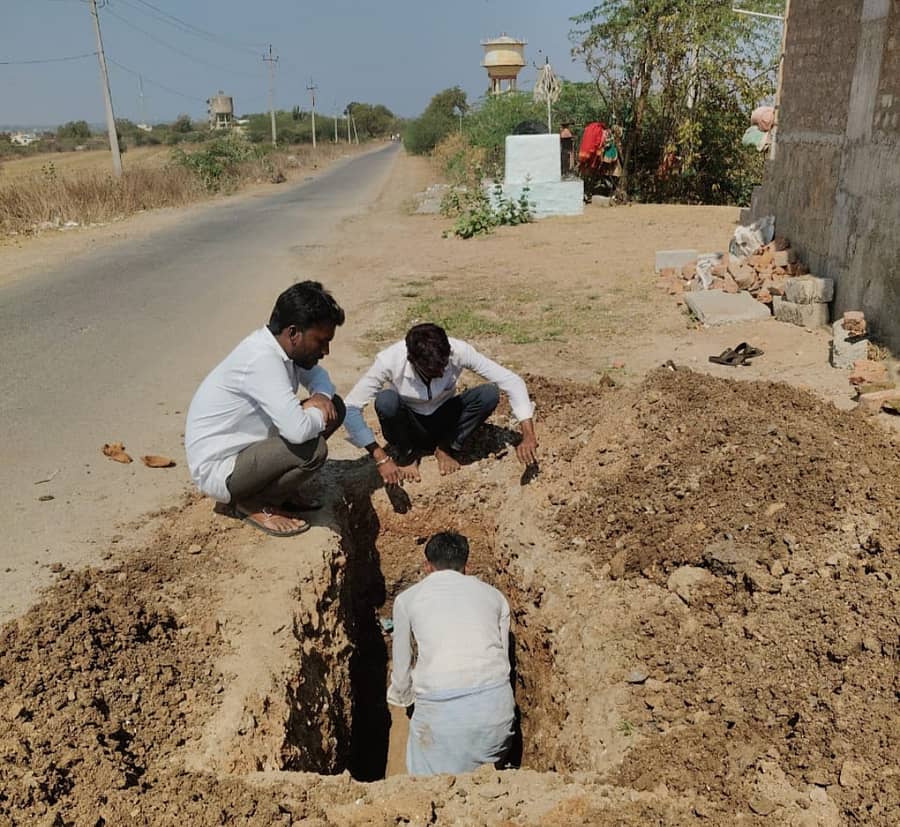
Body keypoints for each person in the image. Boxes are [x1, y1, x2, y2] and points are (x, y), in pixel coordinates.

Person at [185, 281, 345, 537]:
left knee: (335, 407)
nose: (326, 350)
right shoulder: (262, 359)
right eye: (321, 341)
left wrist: (321, 397)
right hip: (223, 469)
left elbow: (321, 378)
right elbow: (298, 432)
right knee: (313, 449)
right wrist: (316, 409)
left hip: (250, 451)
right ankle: (251, 502)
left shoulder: (283, 350)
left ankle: (274, 490)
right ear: (294, 333)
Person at [343, 323, 538, 484]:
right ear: (412, 360)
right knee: (386, 400)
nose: (440, 373)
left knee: (488, 394)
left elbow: (511, 381)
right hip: (409, 424)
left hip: (445, 419)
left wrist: (528, 435)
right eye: (431, 370)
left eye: (443, 366)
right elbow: (350, 408)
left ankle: (445, 448)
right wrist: (381, 458)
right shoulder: (389, 361)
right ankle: (408, 454)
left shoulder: (458, 351)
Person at [388, 532, 515, 776]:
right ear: (466, 566)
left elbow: (402, 678)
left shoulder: (407, 600)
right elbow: (503, 665)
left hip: (442, 721)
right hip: (497, 717)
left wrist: (403, 701)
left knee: (427, 786)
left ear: (427, 566)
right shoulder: (495, 597)